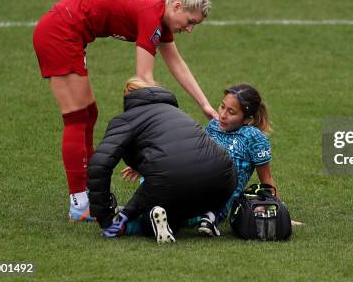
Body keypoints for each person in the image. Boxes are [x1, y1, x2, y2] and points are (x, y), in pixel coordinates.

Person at [32, 0, 218, 221]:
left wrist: (204, 105)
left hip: (66, 31)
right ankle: (79, 204)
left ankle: (86, 195)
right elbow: (143, 79)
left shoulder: (158, 11)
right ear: (177, 7)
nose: (190, 29)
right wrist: (169, 127)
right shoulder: (151, 15)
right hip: (59, 33)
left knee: (88, 114)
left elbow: (176, 63)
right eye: (190, 22)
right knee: (76, 118)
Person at [121, 83, 282, 237]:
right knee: (155, 180)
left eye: (231, 112)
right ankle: (144, 217)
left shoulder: (255, 138)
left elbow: (266, 178)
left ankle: (126, 224)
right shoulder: (213, 126)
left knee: (163, 207)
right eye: (222, 106)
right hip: (193, 184)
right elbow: (192, 157)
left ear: (248, 119)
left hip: (217, 203)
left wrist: (277, 210)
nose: (223, 115)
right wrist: (144, 168)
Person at [87, 78, 237, 243]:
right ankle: (208, 215)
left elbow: (99, 165)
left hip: (171, 181)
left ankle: (132, 223)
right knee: (176, 196)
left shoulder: (124, 120)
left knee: (153, 207)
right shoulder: (177, 113)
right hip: (222, 178)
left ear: (128, 99)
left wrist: (104, 217)